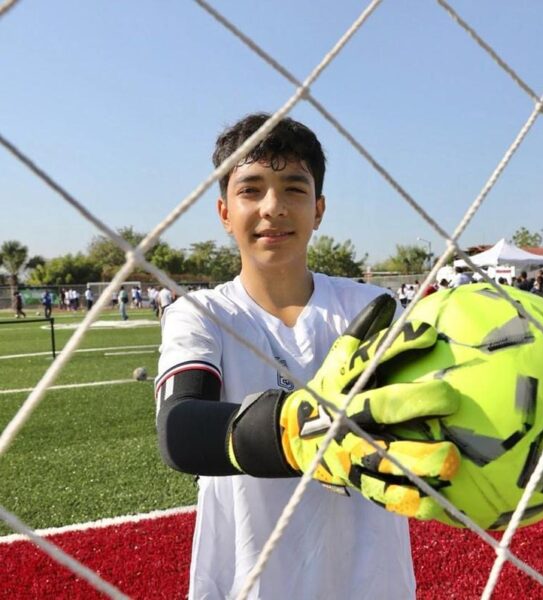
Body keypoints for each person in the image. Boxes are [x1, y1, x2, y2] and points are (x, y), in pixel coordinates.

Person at [155, 113, 461, 599]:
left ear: (318, 210)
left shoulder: (373, 309)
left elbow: (453, 406)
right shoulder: (201, 314)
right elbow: (180, 431)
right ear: (223, 212)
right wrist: (305, 432)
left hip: (371, 583)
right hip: (246, 583)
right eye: (251, 189)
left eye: (293, 189)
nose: (273, 207)